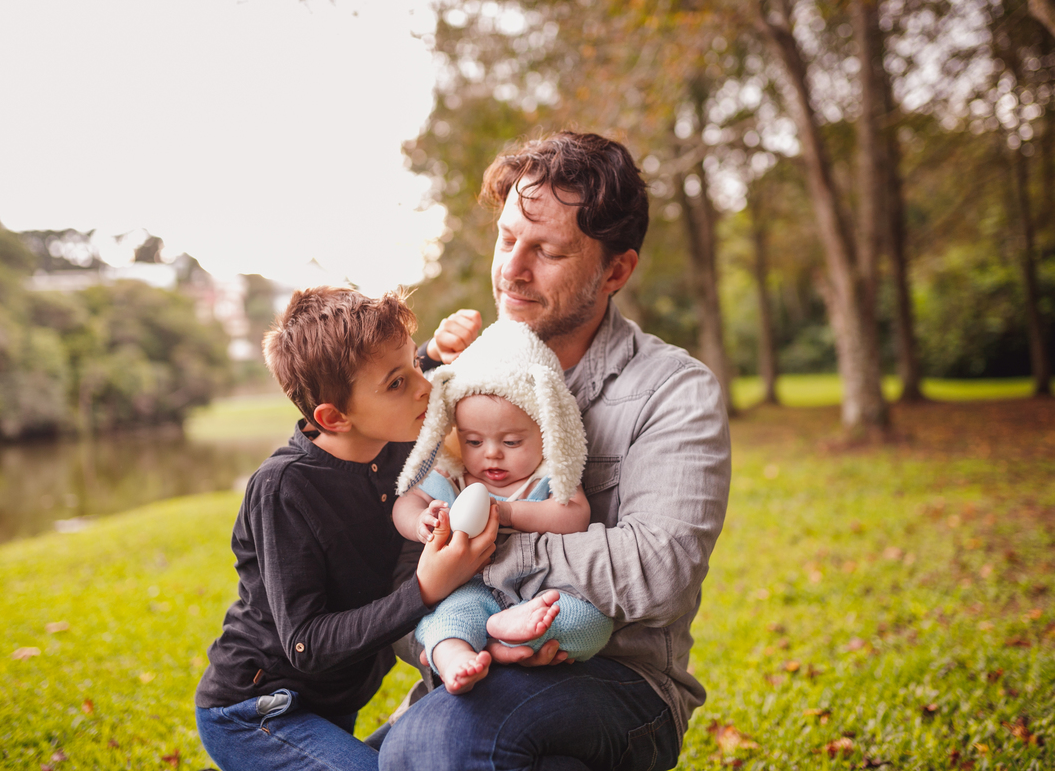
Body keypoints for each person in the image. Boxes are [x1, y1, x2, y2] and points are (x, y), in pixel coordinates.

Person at [378, 132, 731, 771]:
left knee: (434, 746)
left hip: (621, 683)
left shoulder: (674, 392)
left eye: (548, 251)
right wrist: (454, 639)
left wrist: (481, 540)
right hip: (462, 672)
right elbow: (397, 571)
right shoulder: (455, 385)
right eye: (509, 238)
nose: (512, 269)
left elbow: (658, 567)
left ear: (616, 270)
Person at [194, 286, 498, 771]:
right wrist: (425, 588)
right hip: (259, 711)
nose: (424, 387)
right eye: (400, 382)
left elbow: (394, 376)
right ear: (332, 418)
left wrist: (435, 353)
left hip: (334, 705)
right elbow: (306, 643)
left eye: (416, 370)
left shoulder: (393, 434)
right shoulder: (284, 490)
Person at [392, 318, 613, 694]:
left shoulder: (546, 477)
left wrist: (509, 512)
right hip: (471, 587)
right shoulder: (455, 476)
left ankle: (507, 637)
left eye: (511, 442)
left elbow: (575, 515)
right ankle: (457, 657)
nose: (491, 455)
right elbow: (405, 501)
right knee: (445, 620)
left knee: (591, 625)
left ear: (547, 433)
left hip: (540, 590)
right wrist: (419, 521)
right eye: (474, 441)